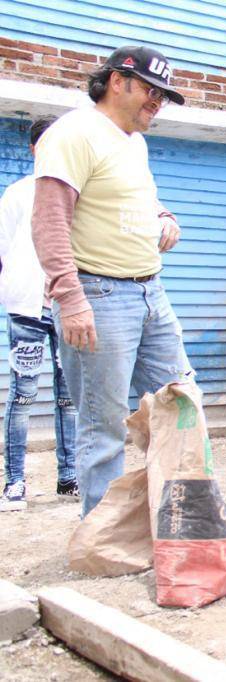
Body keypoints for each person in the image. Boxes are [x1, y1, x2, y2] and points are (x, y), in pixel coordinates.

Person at [31, 46, 191, 517]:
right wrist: (70, 297)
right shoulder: (74, 133)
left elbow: (136, 200)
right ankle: (102, 533)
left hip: (150, 292)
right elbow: (50, 220)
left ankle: (180, 519)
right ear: (118, 81)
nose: (157, 102)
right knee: (103, 426)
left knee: (179, 404)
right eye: (150, 90)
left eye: (163, 95)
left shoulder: (133, 142)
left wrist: (163, 217)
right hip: (97, 294)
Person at [0, 116, 78, 512]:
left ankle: (69, 477)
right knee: (23, 395)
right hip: (27, 305)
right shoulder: (16, 193)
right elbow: (3, 251)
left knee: (69, 397)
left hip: (67, 306)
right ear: (34, 149)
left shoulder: (76, 191)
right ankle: (15, 482)